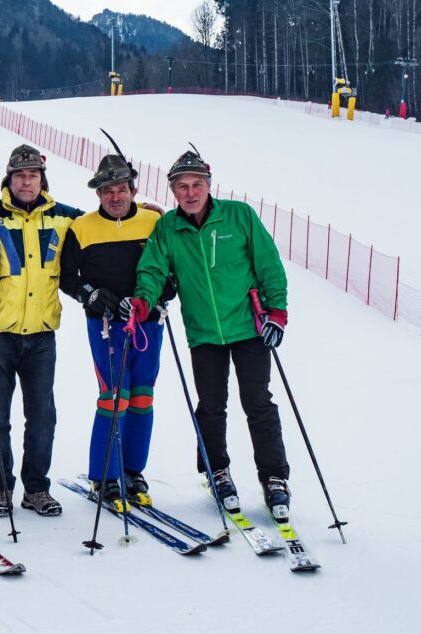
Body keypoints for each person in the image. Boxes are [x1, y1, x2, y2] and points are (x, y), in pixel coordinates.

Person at [129, 146, 292, 520]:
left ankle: (274, 477)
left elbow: (269, 264)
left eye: (196, 184)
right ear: (173, 190)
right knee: (211, 405)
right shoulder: (168, 228)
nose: (190, 193)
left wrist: (277, 313)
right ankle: (217, 469)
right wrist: (143, 300)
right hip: (203, 332)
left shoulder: (239, 216)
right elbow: (152, 270)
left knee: (258, 402)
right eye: (182, 186)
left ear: (208, 185)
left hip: (248, 327)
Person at [0, 145, 83, 518]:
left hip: (40, 336)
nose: (26, 182)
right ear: (9, 179)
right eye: (19, 175)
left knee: (42, 417)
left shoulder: (64, 217)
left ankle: (36, 488)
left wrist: (146, 212)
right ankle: (1, 488)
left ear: (42, 180)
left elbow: (104, 222)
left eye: (33, 175)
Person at [60, 153, 170, 511]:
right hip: (106, 325)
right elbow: (68, 278)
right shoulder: (83, 227)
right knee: (113, 396)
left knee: (142, 396)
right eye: (107, 191)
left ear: (133, 190)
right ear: (98, 194)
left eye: (121, 189)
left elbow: (171, 265)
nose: (115, 196)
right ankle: (105, 476)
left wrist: (164, 291)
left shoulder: (154, 221)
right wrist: (91, 295)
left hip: (147, 321)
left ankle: (133, 471)